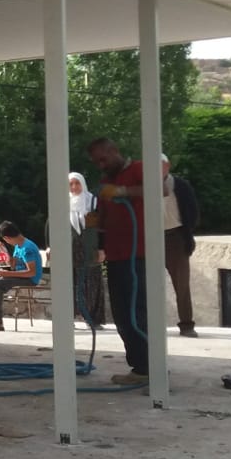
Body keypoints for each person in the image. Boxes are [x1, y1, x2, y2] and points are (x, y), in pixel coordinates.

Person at [87, 137, 171, 384]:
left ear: (115, 151)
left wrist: (123, 191)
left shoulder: (138, 169)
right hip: (116, 255)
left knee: (139, 312)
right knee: (123, 316)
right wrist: (94, 225)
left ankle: (152, 368)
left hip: (140, 254)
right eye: (96, 162)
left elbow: (162, 189)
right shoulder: (106, 182)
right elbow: (104, 216)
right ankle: (140, 368)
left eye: (103, 159)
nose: (101, 165)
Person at [161, 154, 201, 338]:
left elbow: (192, 211)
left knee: (182, 284)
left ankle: (186, 325)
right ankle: (150, 324)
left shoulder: (180, 185)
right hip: (152, 238)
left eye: (160, 165)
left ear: (167, 166)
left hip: (176, 237)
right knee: (148, 283)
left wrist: (186, 233)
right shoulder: (144, 186)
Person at [0, 221, 42, 332]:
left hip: (29, 279)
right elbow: (12, 265)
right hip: (20, 276)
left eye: (4, 240)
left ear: (7, 237)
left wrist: (7, 274)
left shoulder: (27, 248)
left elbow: (31, 272)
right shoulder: (18, 246)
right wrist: (2, 249)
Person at [68, 172, 106, 327]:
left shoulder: (92, 202)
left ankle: (93, 319)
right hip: (70, 249)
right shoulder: (63, 203)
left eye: (77, 183)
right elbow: (51, 226)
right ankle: (68, 317)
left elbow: (101, 227)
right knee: (70, 283)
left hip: (90, 247)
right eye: (70, 184)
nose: (74, 187)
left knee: (92, 282)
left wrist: (102, 248)